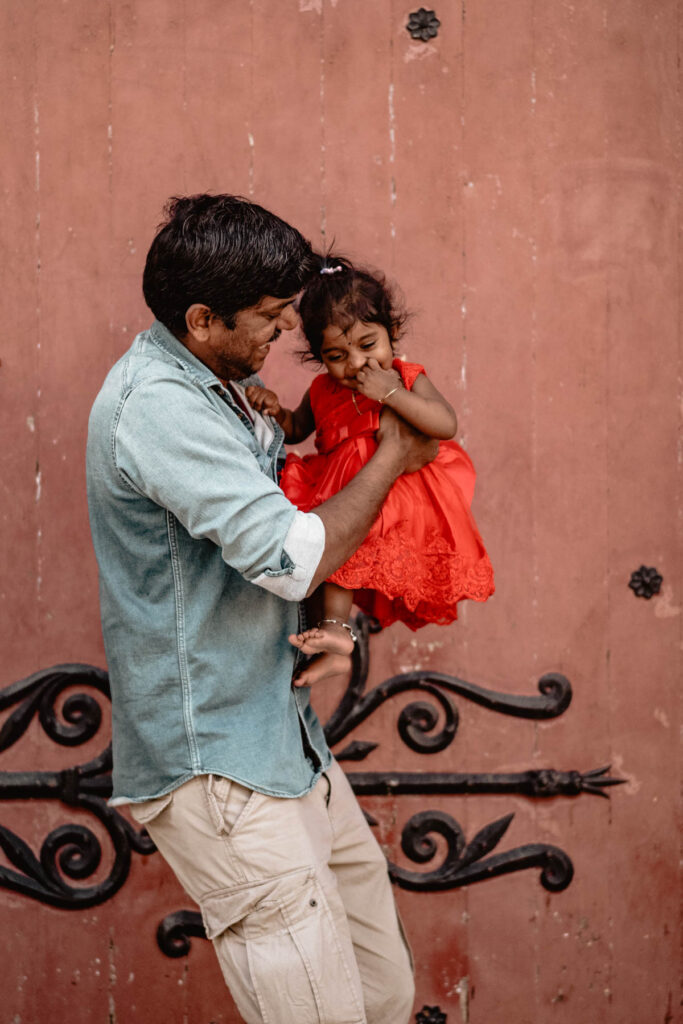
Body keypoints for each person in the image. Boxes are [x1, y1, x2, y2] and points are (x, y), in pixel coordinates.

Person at [86, 195, 437, 1024]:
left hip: (287, 746)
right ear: (202, 319)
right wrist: (393, 452)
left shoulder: (222, 388)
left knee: (383, 996)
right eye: (270, 318)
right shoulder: (160, 408)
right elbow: (290, 555)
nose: (285, 335)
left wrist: (343, 626)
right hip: (222, 768)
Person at [245, 255, 495, 686]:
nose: (357, 364)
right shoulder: (324, 389)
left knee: (349, 552)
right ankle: (337, 636)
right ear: (320, 357)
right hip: (344, 494)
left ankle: (337, 635)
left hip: (394, 498)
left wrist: (393, 393)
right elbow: (299, 429)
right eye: (337, 355)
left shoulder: (404, 376)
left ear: (392, 335)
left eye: (368, 345)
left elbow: (444, 423)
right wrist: (277, 413)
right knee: (336, 554)